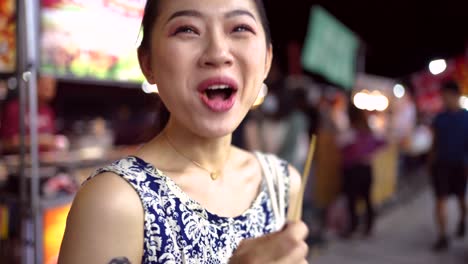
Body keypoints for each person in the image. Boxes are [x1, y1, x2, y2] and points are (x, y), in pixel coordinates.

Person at [58, 0, 309, 263]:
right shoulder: (113, 202)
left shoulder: (281, 185)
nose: (218, 52)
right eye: (187, 29)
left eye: (239, 28)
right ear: (147, 63)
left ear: (267, 60)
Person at [429, 80, 468, 251]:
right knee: (440, 201)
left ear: (456, 96)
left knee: (461, 198)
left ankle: (462, 220)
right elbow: (434, 142)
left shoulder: (466, 117)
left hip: (461, 165)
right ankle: (442, 235)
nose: (444, 99)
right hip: (441, 165)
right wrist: (430, 163)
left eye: (447, 96)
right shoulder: (439, 117)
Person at [339, 105, 385, 238]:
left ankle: (353, 227)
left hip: (352, 169)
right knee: (367, 198)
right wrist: (370, 155)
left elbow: (340, 144)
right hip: (366, 168)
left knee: (352, 199)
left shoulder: (350, 132)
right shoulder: (369, 131)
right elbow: (382, 143)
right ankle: (368, 227)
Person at [0, 75, 59, 154]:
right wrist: (41, 140)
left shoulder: (48, 111)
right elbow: (6, 143)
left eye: (52, 85)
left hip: (43, 163)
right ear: (34, 85)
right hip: (17, 163)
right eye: (45, 84)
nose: (49, 88)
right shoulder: (14, 108)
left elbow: (51, 140)